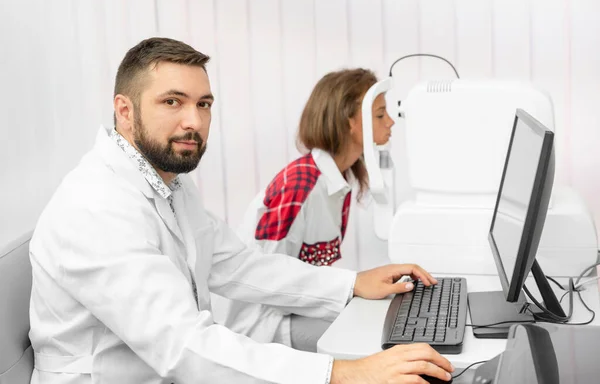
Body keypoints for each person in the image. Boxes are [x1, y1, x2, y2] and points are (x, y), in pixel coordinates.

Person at [28, 37, 454, 383]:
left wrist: (351, 284)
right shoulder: (96, 208)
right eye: (172, 102)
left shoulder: (170, 185)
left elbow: (236, 265)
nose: (193, 121)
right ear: (125, 110)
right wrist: (341, 373)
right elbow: (182, 346)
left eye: (204, 104)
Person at [213, 68, 398, 351]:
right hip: (263, 323)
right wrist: (352, 286)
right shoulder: (300, 186)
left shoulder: (340, 179)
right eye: (380, 114)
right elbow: (266, 278)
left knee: (383, 320)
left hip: (294, 310)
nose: (391, 121)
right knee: (377, 342)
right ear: (350, 122)